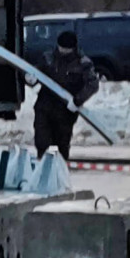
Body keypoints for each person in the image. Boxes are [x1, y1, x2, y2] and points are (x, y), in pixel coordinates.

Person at [33, 29, 99, 160]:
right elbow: (36, 73)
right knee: (42, 140)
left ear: (73, 48)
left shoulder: (83, 63)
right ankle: (42, 167)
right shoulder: (48, 58)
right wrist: (30, 79)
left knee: (62, 142)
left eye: (66, 49)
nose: (62, 51)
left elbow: (92, 84)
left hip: (65, 110)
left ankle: (61, 169)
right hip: (45, 105)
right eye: (61, 48)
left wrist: (77, 101)